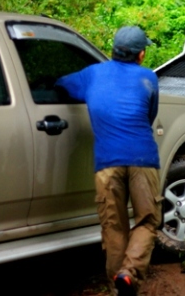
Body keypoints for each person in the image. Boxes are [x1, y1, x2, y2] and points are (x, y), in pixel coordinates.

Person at [56, 26, 161, 296]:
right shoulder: (148, 78)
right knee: (147, 221)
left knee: (113, 227)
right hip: (143, 158)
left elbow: (61, 85)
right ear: (141, 54)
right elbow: (148, 116)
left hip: (107, 164)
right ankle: (129, 273)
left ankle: (118, 287)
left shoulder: (91, 75)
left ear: (113, 50)